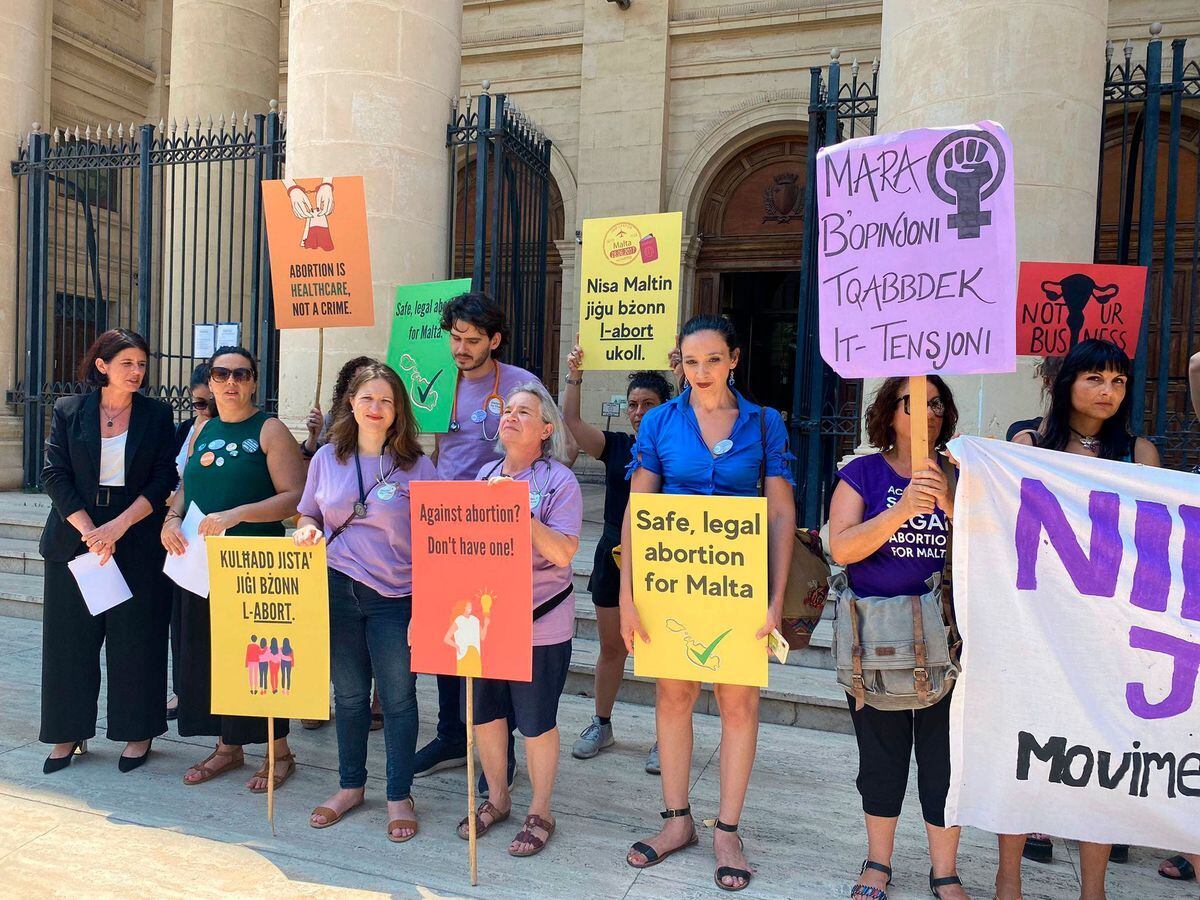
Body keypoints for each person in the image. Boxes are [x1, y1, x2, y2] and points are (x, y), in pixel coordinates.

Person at [620, 315, 796, 892]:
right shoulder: (661, 422)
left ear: (734, 359)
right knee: (672, 697)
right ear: (679, 363)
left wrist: (775, 600)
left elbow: (780, 513)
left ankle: (727, 830)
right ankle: (676, 823)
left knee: (739, 705)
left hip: (739, 585)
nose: (701, 372)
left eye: (713, 360)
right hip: (670, 584)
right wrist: (627, 594)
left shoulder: (765, 423)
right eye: (690, 362)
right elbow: (636, 511)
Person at [999, 338, 1159, 900]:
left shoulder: (1139, 455)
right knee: (1025, 756)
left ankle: (1095, 889)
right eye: (1094, 378)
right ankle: (1008, 878)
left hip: (1107, 633)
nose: (1107, 391)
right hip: (1037, 626)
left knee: (1101, 761)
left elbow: (1154, 546)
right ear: (1067, 382)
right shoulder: (1026, 442)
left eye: (1117, 381)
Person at [827, 375, 964, 900]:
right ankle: (877, 864)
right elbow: (841, 548)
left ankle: (944, 871)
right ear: (889, 413)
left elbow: (993, 546)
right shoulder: (861, 473)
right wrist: (903, 510)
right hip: (876, 643)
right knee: (881, 759)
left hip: (947, 641)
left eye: (936, 404)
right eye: (914, 403)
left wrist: (950, 505)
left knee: (943, 761)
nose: (928, 413)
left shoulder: (961, 473)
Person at [294, 362, 437, 841]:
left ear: (399, 411)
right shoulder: (326, 458)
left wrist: (429, 607)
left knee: (398, 699)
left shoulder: (418, 466)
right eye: (367, 399)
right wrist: (308, 530)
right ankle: (351, 786)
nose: (376, 409)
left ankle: (399, 793)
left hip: (396, 597)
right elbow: (308, 512)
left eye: (386, 401)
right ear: (351, 404)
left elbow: (439, 538)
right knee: (350, 697)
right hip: (336, 589)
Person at [162, 346, 306, 793]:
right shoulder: (203, 427)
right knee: (211, 654)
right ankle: (228, 746)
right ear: (210, 379)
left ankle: (278, 751)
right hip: (200, 563)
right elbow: (188, 483)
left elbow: (294, 497)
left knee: (259, 657)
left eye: (241, 374)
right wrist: (171, 518)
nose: (231, 382)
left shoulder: (270, 429)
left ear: (254, 381)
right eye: (221, 374)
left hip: (252, 564)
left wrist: (238, 514)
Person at [414, 291, 540, 793]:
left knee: (494, 641)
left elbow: (547, 446)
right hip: (445, 526)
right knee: (448, 638)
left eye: (472, 341)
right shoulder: (436, 379)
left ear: (495, 340)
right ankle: (450, 734)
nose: (461, 349)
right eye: (455, 339)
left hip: (498, 526)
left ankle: (499, 752)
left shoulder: (521, 386)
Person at [39, 329, 177, 774]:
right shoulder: (68, 410)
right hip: (75, 539)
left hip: (135, 537)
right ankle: (67, 731)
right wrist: (91, 531)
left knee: (137, 640)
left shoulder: (157, 415)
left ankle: (138, 734)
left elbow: (161, 481)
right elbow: (54, 474)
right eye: (127, 364)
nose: (137, 372)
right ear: (102, 365)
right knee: (69, 642)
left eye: (141, 364)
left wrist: (117, 526)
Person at [456, 382, 582, 857]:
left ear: (546, 429)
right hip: (487, 621)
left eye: (524, 412)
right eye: (507, 410)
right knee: (486, 715)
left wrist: (518, 511)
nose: (510, 416)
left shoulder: (559, 482)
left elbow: (565, 551)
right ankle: (499, 798)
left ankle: (541, 810)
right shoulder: (483, 474)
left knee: (535, 721)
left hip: (540, 623)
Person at [562, 334, 673, 771]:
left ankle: (669, 736)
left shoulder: (679, 448)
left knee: (665, 651)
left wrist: (683, 374)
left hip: (664, 557)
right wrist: (575, 375)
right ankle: (601, 723)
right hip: (613, 552)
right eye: (633, 404)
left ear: (666, 407)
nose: (639, 411)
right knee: (611, 646)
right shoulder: (616, 446)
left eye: (648, 403)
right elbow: (570, 421)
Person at [300, 354, 380, 731]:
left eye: (382, 397)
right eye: (363, 392)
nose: (373, 406)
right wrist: (314, 438)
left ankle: (377, 702)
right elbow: (311, 500)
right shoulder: (332, 436)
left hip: (384, 574)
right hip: (335, 562)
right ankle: (323, 700)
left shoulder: (406, 459)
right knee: (332, 643)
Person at [169, 362, 214, 719]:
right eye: (198, 404)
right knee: (182, 620)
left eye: (209, 404)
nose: (204, 411)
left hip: (216, 531)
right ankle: (182, 690)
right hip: (181, 532)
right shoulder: (187, 429)